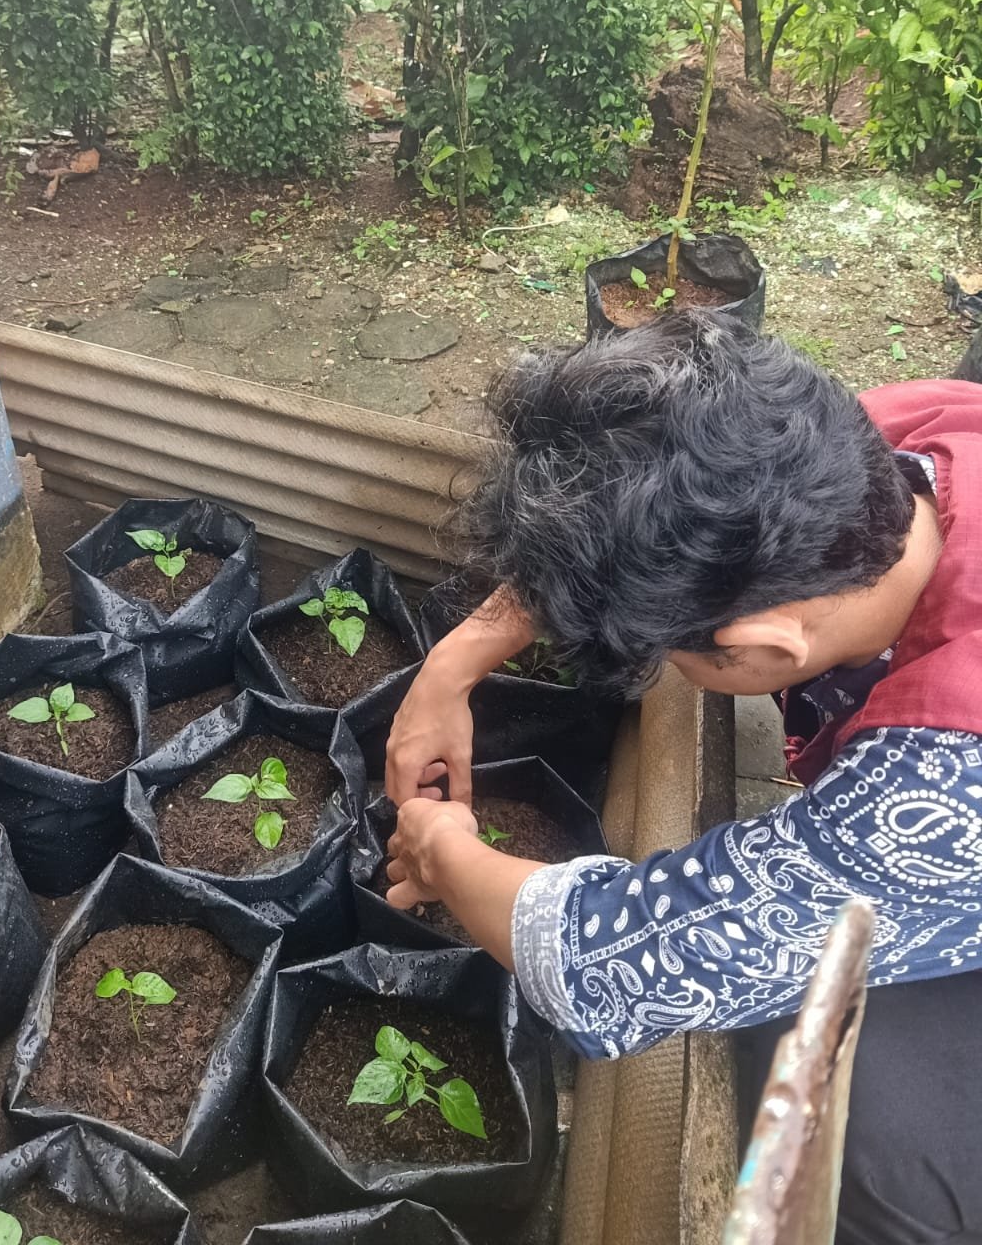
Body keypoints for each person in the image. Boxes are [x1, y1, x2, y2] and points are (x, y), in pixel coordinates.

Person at [383, 312, 982, 1245]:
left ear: (759, 650)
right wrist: (450, 668)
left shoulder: (935, 781)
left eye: (668, 654)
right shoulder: (909, 447)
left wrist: (443, 847)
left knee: (870, 1134)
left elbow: (603, 969)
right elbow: (663, 525)